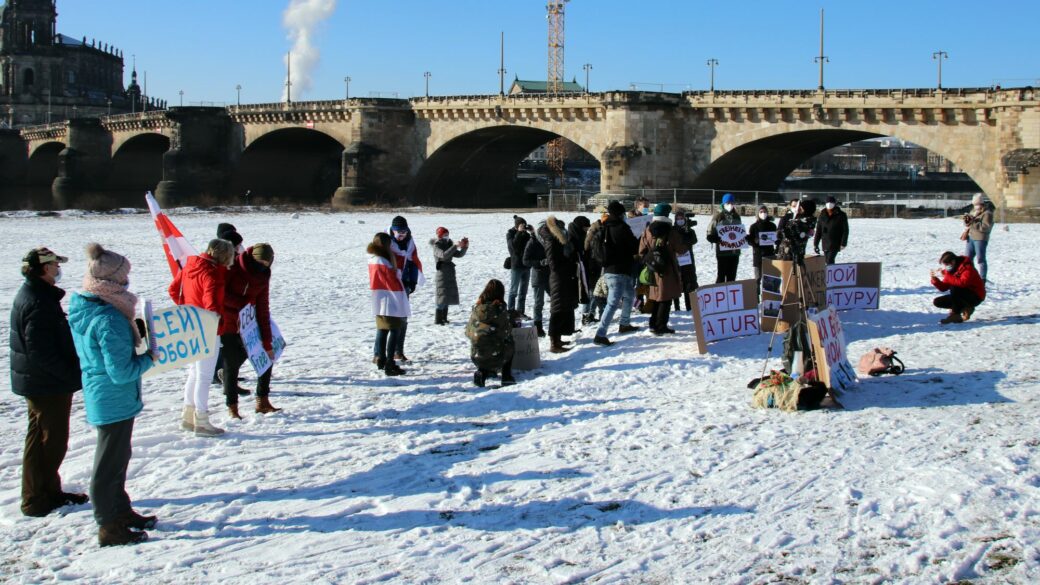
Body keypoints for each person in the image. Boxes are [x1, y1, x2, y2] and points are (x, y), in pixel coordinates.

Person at [67, 243, 156, 547]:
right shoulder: (109, 319)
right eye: (125, 276)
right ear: (113, 281)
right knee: (109, 464)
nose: (128, 281)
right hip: (112, 396)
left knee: (119, 458)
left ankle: (120, 511)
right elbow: (120, 371)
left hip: (105, 394)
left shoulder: (88, 306)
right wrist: (150, 357)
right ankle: (108, 525)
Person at [10, 247, 87, 518]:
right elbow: (40, 350)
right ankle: (36, 499)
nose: (58, 268)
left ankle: (47, 491)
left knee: (40, 438)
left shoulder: (39, 294)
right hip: (46, 383)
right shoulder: (38, 301)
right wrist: (69, 376)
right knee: (51, 441)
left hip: (39, 380)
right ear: (43, 268)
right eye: (54, 264)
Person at [168, 239, 235, 437]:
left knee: (194, 372)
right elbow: (212, 304)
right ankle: (202, 421)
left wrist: (186, 309)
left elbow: (173, 289)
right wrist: (219, 325)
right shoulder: (213, 274)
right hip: (207, 329)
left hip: (191, 325)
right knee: (205, 376)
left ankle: (188, 417)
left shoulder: (190, 264)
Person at [221, 243, 281, 419]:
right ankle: (232, 407)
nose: (262, 266)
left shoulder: (264, 276)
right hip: (229, 325)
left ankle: (262, 400)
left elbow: (262, 306)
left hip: (250, 325)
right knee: (231, 366)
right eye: (259, 262)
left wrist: (267, 340)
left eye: (266, 263)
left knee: (267, 358)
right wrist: (243, 305)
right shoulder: (233, 267)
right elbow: (220, 295)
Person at [594, 201, 641, 346]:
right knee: (613, 302)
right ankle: (600, 334)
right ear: (620, 214)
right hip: (619, 270)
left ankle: (624, 323)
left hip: (612, 270)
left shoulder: (605, 227)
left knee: (629, 295)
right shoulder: (621, 227)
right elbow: (634, 246)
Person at [639, 203, 686, 334]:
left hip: (652, 269)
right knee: (666, 298)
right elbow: (681, 249)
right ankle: (661, 326)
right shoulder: (671, 231)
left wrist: (650, 259)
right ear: (666, 214)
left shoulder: (647, 230)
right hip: (668, 269)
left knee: (655, 297)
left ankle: (653, 324)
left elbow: (641, 251)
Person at [368, 233, 408, 376]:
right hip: (389, 299)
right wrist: (397, 273)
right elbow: (392, 279)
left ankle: (382, 359)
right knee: (394, 330)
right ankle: (390, 363)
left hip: (380, 299)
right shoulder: (382, 261)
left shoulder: (374, 258)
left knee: (383, 330)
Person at [465, 279, 516, 388]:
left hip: (476, 355)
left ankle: (481, 372)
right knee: (510, 341)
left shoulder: (477, 308)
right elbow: (506, 332)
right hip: (496, 355)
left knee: (485, 343)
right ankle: (506, 375)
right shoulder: (499, 310)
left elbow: (468, 331)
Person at [539, 215, 579, 353]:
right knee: (557, 309)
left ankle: (558, 338)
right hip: (558, 278)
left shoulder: (556, 239)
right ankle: (554, 343)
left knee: (563, 307)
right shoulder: (551, 240)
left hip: (563, 277)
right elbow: (553, 263)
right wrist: (567, 261)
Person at [388, 216, 424, 362]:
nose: (401, 235)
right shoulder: (387, 243)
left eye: (404, 231)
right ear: (392, 231)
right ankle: (381, 353)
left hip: (404, 285)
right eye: (398, 232)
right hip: (389, 286)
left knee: (403, 319)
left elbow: (414, 262)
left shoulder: (410, 243)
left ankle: (399, 351)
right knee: (388, 321)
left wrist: (413, 281)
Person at [930, 251, 986, 324]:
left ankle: (955, 315)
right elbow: (944, 288)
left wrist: (947, 276)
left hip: (976, 296)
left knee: (955, 287)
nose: (946, 267)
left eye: (947, 264)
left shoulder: (967, 268)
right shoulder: (950, 270)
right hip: (962, 296)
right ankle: (966, 308)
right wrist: (935, 280)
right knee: (938, 302)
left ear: (953, 261)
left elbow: (963, 283)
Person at [430, 227, 468, 325]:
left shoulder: (448, 244)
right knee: (441, 296)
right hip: (441, 273)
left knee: (447, 296)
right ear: (440, 235)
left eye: (447, 234)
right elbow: (444, 255)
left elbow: (459, 255)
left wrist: (464, 247)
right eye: (444, 235)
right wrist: (455, 246)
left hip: (450, 272)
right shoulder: (436, 246)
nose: (447, 236)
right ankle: (438, 319)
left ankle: (444, 318)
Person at [706, 193, 743, 283]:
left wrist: (742, 238)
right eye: (727, 203)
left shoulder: (737, 216)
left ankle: (730, 296)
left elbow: (739, 232)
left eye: (731, 202)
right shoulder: (718, 216)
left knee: (732, 277)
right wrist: (716, 239)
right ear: (723, 204)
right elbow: (710, 232)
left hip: (734, 252)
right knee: (721, 276)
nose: (730, 205)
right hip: (722, 252)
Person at [567, 216, 595, 325]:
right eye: (586, 227)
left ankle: (586, 315)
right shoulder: (572, 236)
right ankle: (583, 316)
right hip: (576, 269)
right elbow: (573, 252)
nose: (587, 230)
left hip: (584, 266)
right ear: (581, 226)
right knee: (581, 292)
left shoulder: (581, 235)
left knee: (586, 291)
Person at [523, 222, 549, 337]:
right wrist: (540, 263)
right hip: (538, 276)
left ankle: (557, 324)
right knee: (539, 303)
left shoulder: (549, 241)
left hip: (550, 275)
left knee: (557, 299)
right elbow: (525, 260)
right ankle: (538, 326)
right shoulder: (532, 242)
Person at [671, 209, 699, 311]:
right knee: (676, 282)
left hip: (688, 260)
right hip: (676, 260)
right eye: (678, 219)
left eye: (681, 218)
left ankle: (689, 306)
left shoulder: (690, 230)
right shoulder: (672, 230)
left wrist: (687, 231)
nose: (680, 220)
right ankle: (677, 307)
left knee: (689, 283)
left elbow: (693, 240)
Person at [963, 193, 994, 282]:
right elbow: (969, 224)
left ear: (981, 203)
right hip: (971, 237)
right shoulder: (973, 212)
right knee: (967, 259)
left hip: (980, 238)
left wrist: (973, 222)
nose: (976, 206)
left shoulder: (987, 213)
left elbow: (985, 227)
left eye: (977, 204)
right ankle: (972, 275)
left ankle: (983, 278)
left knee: (980, 259)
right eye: (974, 204)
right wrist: (967, 221)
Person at [747, 205, 778, 295]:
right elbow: (750, 241)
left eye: (764, 211)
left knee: (770, 277)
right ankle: (756, 297)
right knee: (757, 278)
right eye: (761, 212)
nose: (763, 213)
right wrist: (753, 241)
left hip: (770, 254)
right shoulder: (754, 227)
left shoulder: (772, 225)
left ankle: (770, 297)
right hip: (758, 255)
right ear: (757, 214)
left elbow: (775, 238)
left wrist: (777, 241)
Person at [506, 216, 532, 319]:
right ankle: (511, 312)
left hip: (526, 266)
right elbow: (513, 248)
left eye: (524, 226)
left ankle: (520, 312)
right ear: (517, 227)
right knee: (513, 291)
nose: (523, 228)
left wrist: (532, 232)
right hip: (516, 265)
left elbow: (532, 246)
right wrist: (518, 233)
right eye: (521, 226)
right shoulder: (510, 234)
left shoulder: (526, 235)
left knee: (523, 291)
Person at [814, 196, 849, 264]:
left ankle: (830, 273)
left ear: (835, 204)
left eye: (831, 202)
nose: (829, 204)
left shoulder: (841, 215)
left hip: (835, 242)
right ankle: (828, 272)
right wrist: (816, 243)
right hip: (825, 241)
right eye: (828, 202)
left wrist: (843, 243)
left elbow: (845, 230)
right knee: (826, 260)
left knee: (830, 259)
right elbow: (818, 230)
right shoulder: (822, 214)